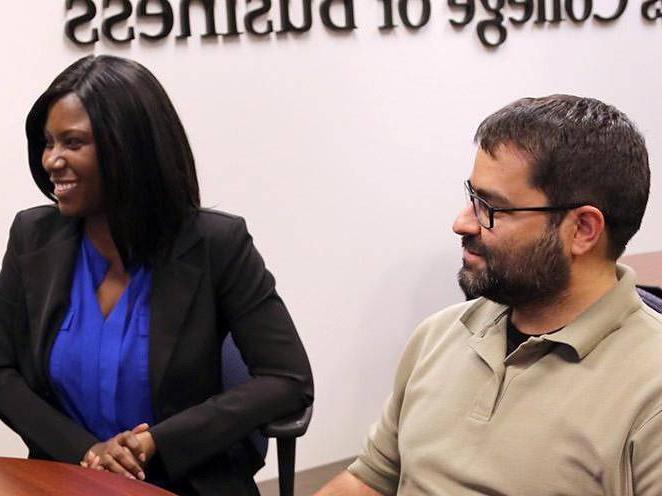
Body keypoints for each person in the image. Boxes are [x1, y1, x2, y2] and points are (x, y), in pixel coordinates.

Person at [316, 95, 662, 495]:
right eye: (471, 197)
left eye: (490, 207)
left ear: (582, 230)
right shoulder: (439, 335)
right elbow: (371, 479)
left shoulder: (649, 389)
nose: (462, 223)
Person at [0, 55, 313, 495]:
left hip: (184, 480)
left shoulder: (216, 244)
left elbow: (287, 380)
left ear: (128, 148)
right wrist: (87, 451)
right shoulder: (32, 237)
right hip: (65, 477)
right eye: (48, 143)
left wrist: (153, 443)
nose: (52, 160)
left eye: (72, 143)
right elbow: (2, 370)